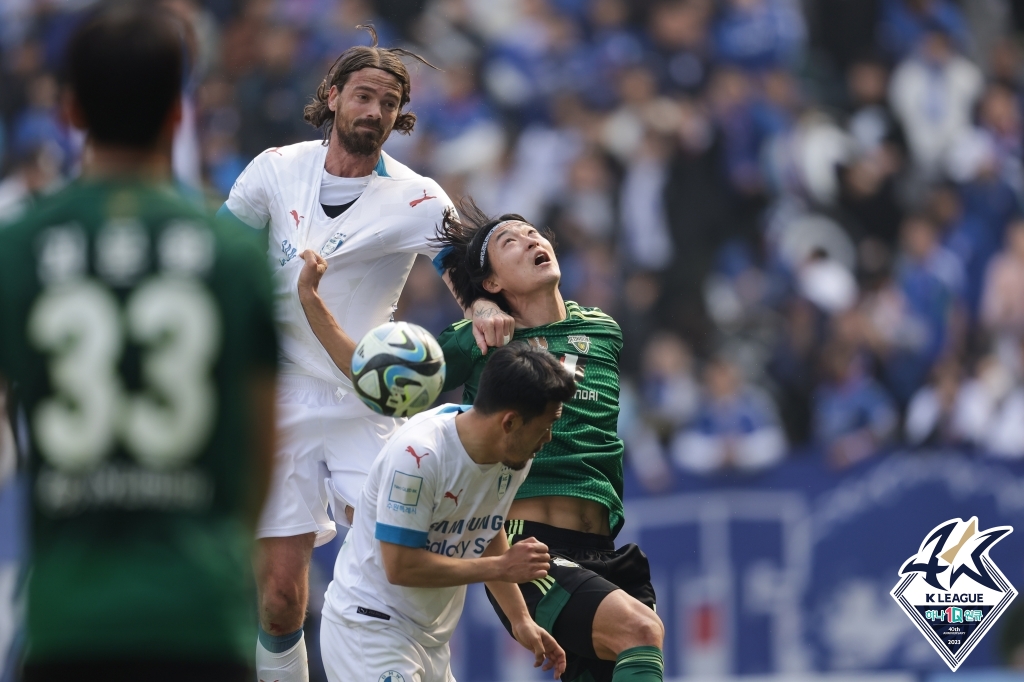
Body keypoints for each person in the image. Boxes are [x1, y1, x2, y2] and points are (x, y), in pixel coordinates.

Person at [215, 27, 513, 681]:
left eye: (388, 102)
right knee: (280, 598)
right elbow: (217, 258)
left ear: (399, 115)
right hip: (279, 396)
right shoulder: (274, 169)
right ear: (333, 96)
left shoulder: (416, 194)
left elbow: (458, 265)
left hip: (367, 402)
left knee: (398, 557)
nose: (373, 111)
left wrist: (483, 308)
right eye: (363, 96)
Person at [0, 7, 278, 681]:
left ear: (69, 110)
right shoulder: (234, 256)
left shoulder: (20, 247)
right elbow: (262, 449)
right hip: (199, 615)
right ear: (179, 115)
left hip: (70, 619)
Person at [320, 343, 572, 682]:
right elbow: (401, 566)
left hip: (431, 641)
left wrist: (520, 619)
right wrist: (502, 566)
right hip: (369, 628)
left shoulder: (514, 456)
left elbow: (484, 526)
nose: (548, 438)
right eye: (544, 426)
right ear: (510, 422)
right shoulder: (418, 457)